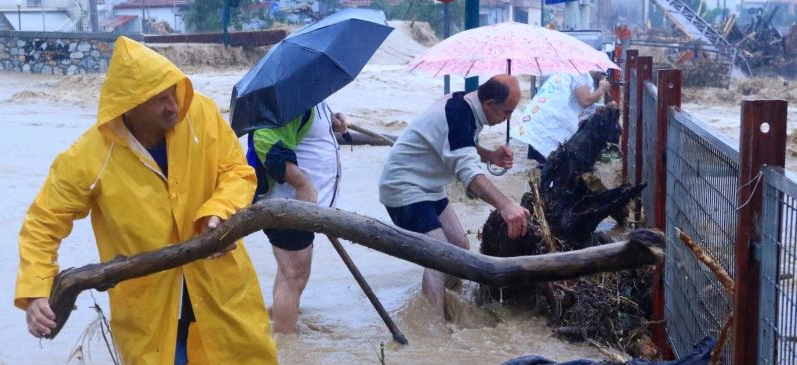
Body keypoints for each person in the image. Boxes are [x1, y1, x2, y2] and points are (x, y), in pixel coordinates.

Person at [15, 36, 285, 365]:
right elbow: (43, 221)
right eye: (159, 99)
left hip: (217, 273)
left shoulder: (202, 117)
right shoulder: (91, 155)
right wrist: (36, 291)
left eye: (173, 92)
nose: (173, 106)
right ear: (128, 105)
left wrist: (218, 213)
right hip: (150, 295)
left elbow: (237, 170)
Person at [378, 74, 530, 319]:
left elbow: (459, 144)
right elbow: (469, 174)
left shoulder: (465, 103)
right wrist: (506, 204)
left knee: (459, 247)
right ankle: (434, 331)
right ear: (490, 103)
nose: (508, 118)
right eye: (507, 112)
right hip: (403, 189)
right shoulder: (458, 115)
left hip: (429, 188)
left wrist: (490, 155)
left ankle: (443, 307)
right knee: (438, 258)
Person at [247, 102, 347, 333]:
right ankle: (286, 344)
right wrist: (302, 184)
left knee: (293, 274)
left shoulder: (311, 98)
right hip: (289, 206)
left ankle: (280, 323)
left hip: (305, 207)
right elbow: (266, 141)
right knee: (293, 275)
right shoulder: (289, 102)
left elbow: (305, 133)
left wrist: (333, 124)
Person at [513, 70, 611, 164]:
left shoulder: (568, 71)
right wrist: (601, 89)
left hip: (541, 121)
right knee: (552, 165)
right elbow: (585, 101)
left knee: (548, 165)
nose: (602, 76)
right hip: (550, 125)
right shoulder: (580, 74)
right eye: (603, 73)